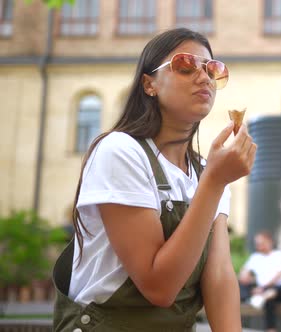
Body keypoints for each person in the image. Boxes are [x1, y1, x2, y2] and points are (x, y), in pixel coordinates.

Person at [52, 28, 256, 332]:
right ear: (149, 84)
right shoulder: (120, 151)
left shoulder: (206, 168)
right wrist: (213, 183)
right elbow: (159, 287)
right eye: (185, 65)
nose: (204, 78)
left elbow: (220, 276)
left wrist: (213, 180)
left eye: (212, 69)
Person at [238, 231, 281, 332]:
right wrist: (245, 276)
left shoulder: (280, 255)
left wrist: (263, 288)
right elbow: (244, 272)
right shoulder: (255, 258)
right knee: (269, 298)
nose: (259, 246)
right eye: (257, 244)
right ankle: (271, 329)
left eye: (261, 243)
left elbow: (280, 275)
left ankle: (266, 295)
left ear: (270, 242)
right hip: (264, 292)